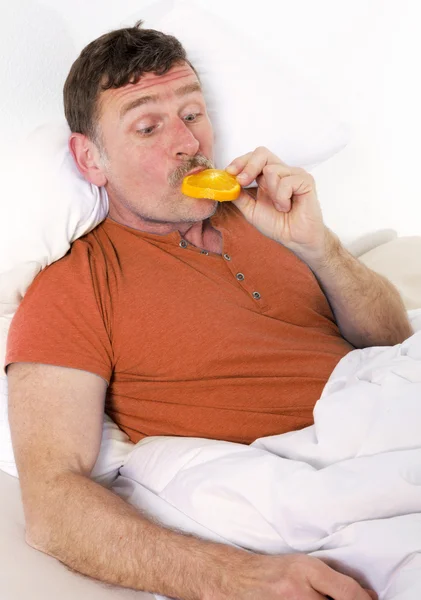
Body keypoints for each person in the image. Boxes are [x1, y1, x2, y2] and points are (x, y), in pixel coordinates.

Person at [5, 21, 409, 600]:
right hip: (306, 483)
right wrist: (242, 577)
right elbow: (50, 503)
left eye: (192, 115)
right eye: (148, 125)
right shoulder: (75, 286)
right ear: (90, 160)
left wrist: (320, 248)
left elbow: (392, 338)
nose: (188, 143)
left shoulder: (268, 218)